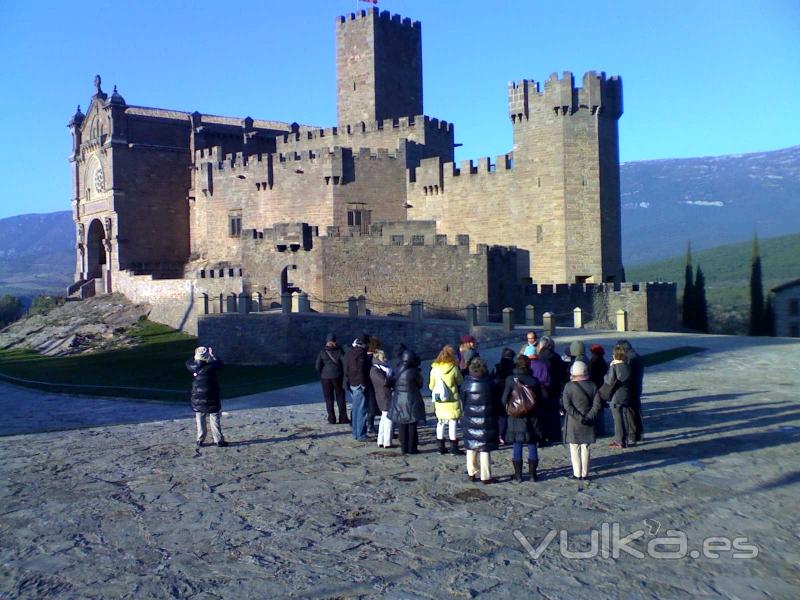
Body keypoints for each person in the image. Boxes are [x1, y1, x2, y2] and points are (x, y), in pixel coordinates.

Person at [502, 355, 544, 482]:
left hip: (515, 417)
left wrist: (510, 408)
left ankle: (518, 475)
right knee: (532, 444)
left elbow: (503, 399)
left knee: (517, 444)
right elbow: (540, 400)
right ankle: (532, 475)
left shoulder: (510, 380)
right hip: (532, 417)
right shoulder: (534, 381)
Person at [562, 361, 602, 480]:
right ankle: (585, 474)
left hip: (574, 421)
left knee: (574, 447)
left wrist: (579, 417)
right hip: (588, 421)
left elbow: (567, 406)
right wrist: (589, 416)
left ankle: (577, 473)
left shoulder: (568, 386)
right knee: (586, 447)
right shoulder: (593, 385)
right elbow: (597, 405)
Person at [462, 358, 500, 484]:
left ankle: (471, 472)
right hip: (486, 418)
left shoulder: (466, 383)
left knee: (471, 446)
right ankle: (486, 476)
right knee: (485, 448)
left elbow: (463, 399)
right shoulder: (490, 383)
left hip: (470, 417)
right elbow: (496, 400)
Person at [186, 346, 227, 447]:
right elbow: (220, 363)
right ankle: (218, 440)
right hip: (211, 395)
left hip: (197, 397)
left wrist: (197, 355)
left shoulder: (193, 367)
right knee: (214, 418)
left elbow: (189, 361)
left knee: (200, 419)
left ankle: (200, 439)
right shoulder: (212, 367)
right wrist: (212, 355)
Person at [388, 349, 426, 455]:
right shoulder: (414, 371)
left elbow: (390, 381)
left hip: (399, 399)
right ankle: (412, 448)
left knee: (402, 425)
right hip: (411, 399)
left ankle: (404, 448)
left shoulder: (396, 369)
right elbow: (420, 384)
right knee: (412, 425)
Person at [429, 344, 464, 455]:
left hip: (440, 400)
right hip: (452, 399)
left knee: (441, 422)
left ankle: (440, 447)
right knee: (452, 422)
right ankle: (454, 447)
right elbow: (460, 382)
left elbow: (431, 386)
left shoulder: (434, 370)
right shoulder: (453, 368)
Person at [601, 344, 637, 448]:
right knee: (624, 417)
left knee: (617, 419)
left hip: (616, 395)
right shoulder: (627, 365)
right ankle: (625, 439)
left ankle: (619, 440)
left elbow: (609, 380)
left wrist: (605, 375)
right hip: (626, 393)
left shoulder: (614, 367)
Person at [536, 336, 565, 444]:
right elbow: (562, 374)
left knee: (543, 414)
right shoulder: (557, 357)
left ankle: (544, 434)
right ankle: (555, 435)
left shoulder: (539, 357)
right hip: (555, 389)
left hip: (543, 389)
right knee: (554, 413)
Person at [314, 333, 348, 424]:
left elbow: (317, 366)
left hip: (325, 378)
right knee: (340, 397)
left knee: (329, 398)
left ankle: (331, 418)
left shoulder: (322, 352)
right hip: (337, 376)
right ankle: (343, 418)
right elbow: (344, 363)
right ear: (335, 341)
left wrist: (322, 374)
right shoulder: (339, 351)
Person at [618, 339, 645, 441]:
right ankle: (639, 433)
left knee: (630, 412)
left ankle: (632, 435)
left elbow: (626, 374)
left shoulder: (630, 358)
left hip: (630, 388)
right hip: (637, 387)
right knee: (637, 411)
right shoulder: (636, 356)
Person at [345, 335, 371, 442]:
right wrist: (363, 384)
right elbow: (361, 369)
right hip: (359, 384)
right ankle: (361, 434)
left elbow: (347, 368)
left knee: (355, 409)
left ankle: (355, 432)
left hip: (352, 383)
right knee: (362, 410)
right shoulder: (361, 354)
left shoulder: (351, 352)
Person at [370, 349, 394, 448]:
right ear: (377, 358)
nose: (385, 359)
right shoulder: (375, 370)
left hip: (385, 395)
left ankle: (381, 440)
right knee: (388, 418)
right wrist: (393, 381)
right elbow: (384, 382)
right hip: (383, 395)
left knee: (384, 418)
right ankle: (386, 441)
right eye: (383, 357)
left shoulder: (382, 368)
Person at [492, 348, 516, 444]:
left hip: (497, 393)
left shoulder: (496, 367)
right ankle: (504, 434)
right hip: (509, 393)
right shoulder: (513, 368)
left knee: (499, 416)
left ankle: (499, 434)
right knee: (506, 416)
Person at [588, 344, 608, 436]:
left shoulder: (597, 363)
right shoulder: (600, 362)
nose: (592, 355)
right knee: (599, 409)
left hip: (598, 388)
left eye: (593, 353)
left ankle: (599, 430)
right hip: (600, 388)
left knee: (598, 410)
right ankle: (600, 430)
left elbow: (594, 376)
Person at [365, 334, 381, 435]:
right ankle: (370, 425)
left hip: (366, 381)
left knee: (367, 405)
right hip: (373, 382)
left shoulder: (364, 355)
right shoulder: (375, 356)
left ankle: (368, 424)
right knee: (372, 405)